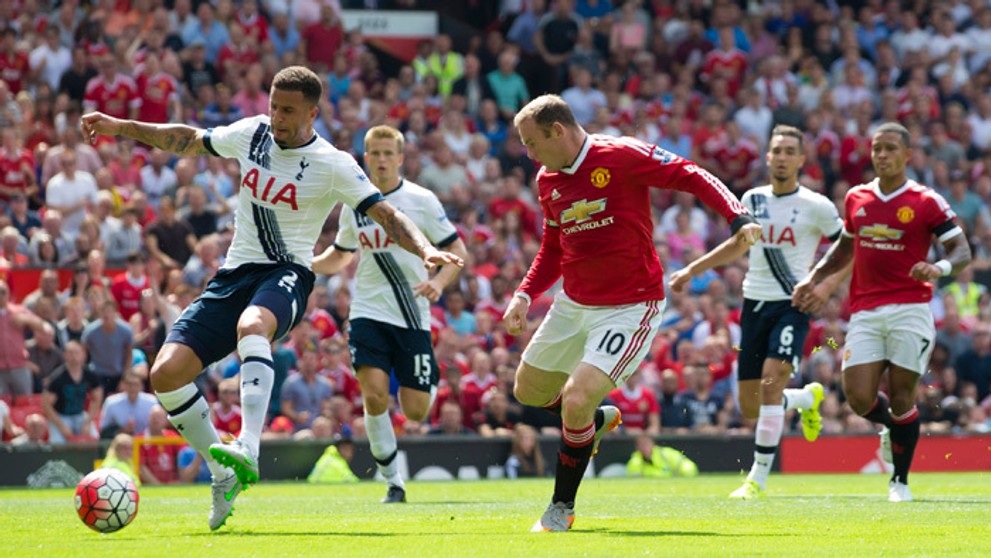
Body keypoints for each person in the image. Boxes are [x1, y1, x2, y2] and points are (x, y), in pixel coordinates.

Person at [80, 65, 463, 530]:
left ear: (312, 113)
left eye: (288, 111)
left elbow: (386, 214)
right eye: (273, 107)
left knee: (253, 326)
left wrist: (424, 249)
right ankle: (222, 471)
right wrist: (122, 126)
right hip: (233, 274)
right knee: (165, 374)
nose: (277, 117)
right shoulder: (252, 133)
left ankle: (248, 445)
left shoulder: (333, 163)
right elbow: (187, 139)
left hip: (288, 273)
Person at [502, 95, 760, 532]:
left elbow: (690, 173)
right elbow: (553, 247)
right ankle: (591, 423)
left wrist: (737, 216)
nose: (529, 153)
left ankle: (561, 508)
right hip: (573, 303)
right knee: (527, 390)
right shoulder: (548, 180)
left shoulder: (621, 155)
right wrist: (525, 294)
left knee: (576, 399)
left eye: (532, 143)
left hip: (629, 306)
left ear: (557, 131)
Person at [793, 122, 972, 503]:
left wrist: (937, 268)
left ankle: (899, 482)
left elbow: (961, 250)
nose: (882, 155)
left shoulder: (926, 201)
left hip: (911, 308)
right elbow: (844, 248)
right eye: (877, 149)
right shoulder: (857, 197)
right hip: (866, 310)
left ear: (907, 155)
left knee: (903, 394)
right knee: (858, 397)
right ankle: (895, 429)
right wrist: (813, 277)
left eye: (890, 148)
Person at [669, 125, 845, 499]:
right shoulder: (752, 198)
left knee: (770, 382)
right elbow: (738, 244)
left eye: (789, 151)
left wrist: (825, 286)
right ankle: (805, 399)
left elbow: (849, 247)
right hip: (754, 304)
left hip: (793, 304)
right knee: (751, 406)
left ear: (801, 159)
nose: (782, 157)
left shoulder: (817, 205)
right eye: (776, 150)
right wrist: (692, 270)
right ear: (767, 157)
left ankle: (757, 480)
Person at [313, 124, 468, 504]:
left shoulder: (422, 200)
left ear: (400, 158)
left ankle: (428, 381)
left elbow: (458, 251)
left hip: (413, 314)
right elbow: (341, 255)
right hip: (367, 311)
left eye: (388, 154)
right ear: (366, 158)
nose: (381, 160)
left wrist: (439, 282)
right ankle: (393, 482)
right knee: (375, 396)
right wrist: (307, 263)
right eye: (375, 154)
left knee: (415, 411)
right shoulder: (355, 203)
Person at [41, 341, 103, 444]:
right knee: (57, 444)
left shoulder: (89, 374)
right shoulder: (57, 378)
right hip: (61, 416)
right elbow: (46, 405)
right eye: (70, 353)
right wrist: (62, 427)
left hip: (80, 415)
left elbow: (97, 397)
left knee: (94, 440)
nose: (74, 356)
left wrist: (88, 422)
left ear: (83, 355)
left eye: (76, 352)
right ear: (65, 355)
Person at [625, 433, 699, 478]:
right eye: (641, 445)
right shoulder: (635, 461)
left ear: (653, 444)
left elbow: (687, 465)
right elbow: (635, 478)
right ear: (637, 448)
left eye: (646, 444)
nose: (644, 447)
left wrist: (686, 476)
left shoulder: (666, 453)